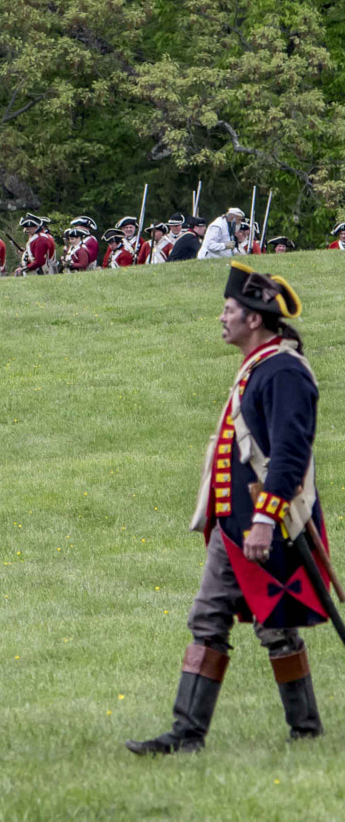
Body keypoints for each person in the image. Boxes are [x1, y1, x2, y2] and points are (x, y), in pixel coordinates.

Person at [127, 263, 326, 755]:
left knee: (275, 628)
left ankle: (305, 730)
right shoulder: (259, 368)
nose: (222, 317)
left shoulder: (282, 371)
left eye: (229, 309)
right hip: (235, 529)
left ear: (254, 319)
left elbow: (290, 454)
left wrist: (263, 520)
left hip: (267, 526)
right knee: (209, 618)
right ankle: (187, 734)